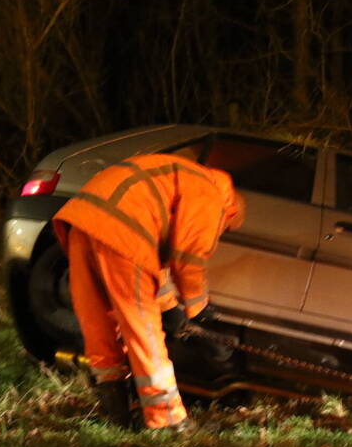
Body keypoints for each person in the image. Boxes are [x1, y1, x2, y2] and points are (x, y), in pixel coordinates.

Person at [52, 152, 245, 430]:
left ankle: (115, 412)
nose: (220, 232)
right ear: (231, 213)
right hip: (123, 231)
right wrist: (199, 311)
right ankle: (167, 420)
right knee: (144, 329)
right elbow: (187, 257)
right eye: (224, 228)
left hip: (84, 223)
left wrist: (170, 309)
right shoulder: (212, 195)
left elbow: (159, 266)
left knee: (99, 323)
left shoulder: (182, 177)